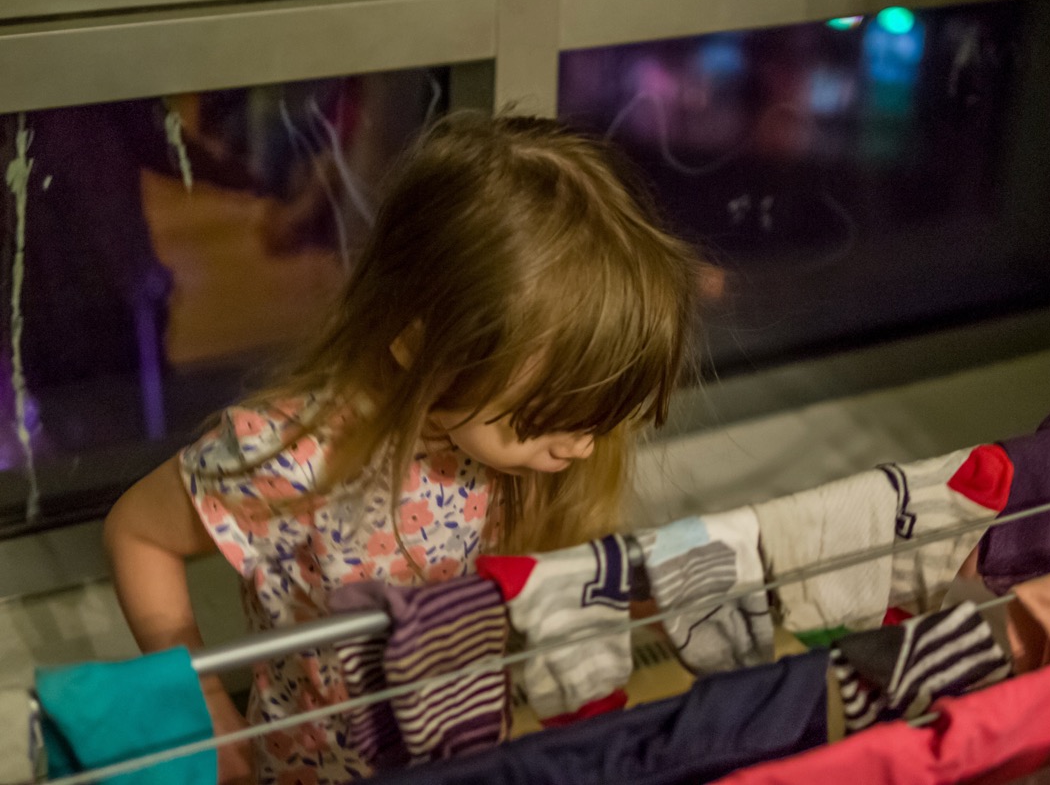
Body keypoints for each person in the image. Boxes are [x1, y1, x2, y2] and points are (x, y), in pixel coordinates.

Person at [103, 112, 701, 785]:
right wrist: (200, 700)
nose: (585, 448)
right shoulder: (296, 456)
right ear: (421, 347)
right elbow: (138, 533)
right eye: (547, 419)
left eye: (596, 420)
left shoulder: (510, 454)